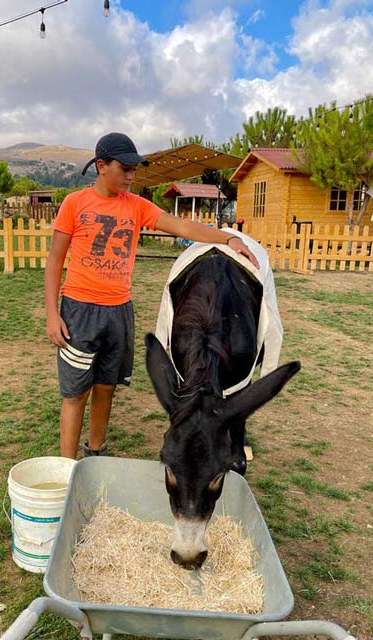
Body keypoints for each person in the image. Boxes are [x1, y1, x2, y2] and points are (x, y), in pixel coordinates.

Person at [45, 132, 260, 460]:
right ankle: (65, 466)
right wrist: (52, 313)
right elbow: (55, 260)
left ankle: (96, 453)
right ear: (102, 166)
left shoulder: (137, 206)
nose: (132, 175)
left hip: (119, 312)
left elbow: (182, 227)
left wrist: (227, 239)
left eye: (135, 169)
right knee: (76, 394)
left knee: (106, 387)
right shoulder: (75, 204)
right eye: (125, 168)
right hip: (79, 311)